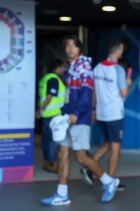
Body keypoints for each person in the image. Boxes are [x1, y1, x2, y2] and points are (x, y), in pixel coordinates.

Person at [41, 35, 120, 206]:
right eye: (67, 45)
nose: (70, 48)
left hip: (79, 118)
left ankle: (108, 181)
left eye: (73, 45)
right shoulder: (69, 69)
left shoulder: (84, 67)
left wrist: (76, 113)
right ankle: (62, 195)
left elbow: (86, 93)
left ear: (79, 48)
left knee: (81, 157)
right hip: (67, 118)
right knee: (62, 154)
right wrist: (63, 114)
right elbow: (68, 96)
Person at [80, 39, 131, 191]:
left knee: (108, 142)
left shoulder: (97, 68)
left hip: (101, 113)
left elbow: (93, 91)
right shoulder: (119, 70)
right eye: (122, 49)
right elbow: (123, 93)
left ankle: (89, 165)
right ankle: (110, 183)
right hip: (114, 114)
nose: (122, 51)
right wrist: (127, 84)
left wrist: (94, 110)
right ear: (119, 49)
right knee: (115, 147)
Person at [37, 58, 66, 173]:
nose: (64, 70)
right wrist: (41, 110)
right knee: (53, 140)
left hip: (47, 114)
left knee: (46, 139)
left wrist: (41, 111)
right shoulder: (54, 79)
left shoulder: (45, 78)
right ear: (57, 67)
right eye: (63, 67)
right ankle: (52, 163)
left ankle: (46, 161)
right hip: (54, 114)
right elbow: (49, 97)